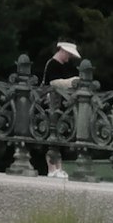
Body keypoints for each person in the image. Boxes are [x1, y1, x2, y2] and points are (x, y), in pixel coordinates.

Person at [38, 39, 87, 179]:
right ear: (63, 51)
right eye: (68, 55)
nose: (69, 58)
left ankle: (59, 167)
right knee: (52, 136)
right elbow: (53, 83)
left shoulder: (62, 65)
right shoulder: (52, 64)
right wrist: (72, 81)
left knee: (59, 136)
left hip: (59, 105)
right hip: (50, 104)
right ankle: (52, 168)